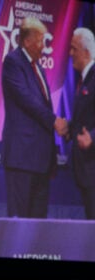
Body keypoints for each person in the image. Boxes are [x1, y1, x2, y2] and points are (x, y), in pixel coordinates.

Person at [1, 17, 68, 218]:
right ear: (27, 41)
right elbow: (27, 100)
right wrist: (54, 121)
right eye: (40, 41)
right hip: (22, 157)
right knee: (19, 223)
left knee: (38, 225)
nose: (43, 46)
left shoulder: (38, 67)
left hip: (41, 160)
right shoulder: (13, 61)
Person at [68, 27, 95, 219]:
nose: (70, 54)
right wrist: (67, 127)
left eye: (74, 49)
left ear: (86, 52)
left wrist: (92, 137)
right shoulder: (85, 79)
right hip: (86, 170)